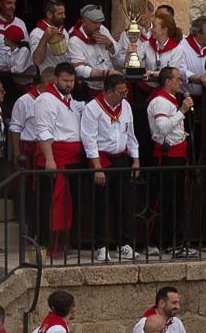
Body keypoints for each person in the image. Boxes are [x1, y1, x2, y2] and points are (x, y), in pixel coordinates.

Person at [81, 73, 139, 262]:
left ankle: (125, 244)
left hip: (121, 159)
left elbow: (130, 133)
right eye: (121, 92)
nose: (124, 95)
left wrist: (135, 159)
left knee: (125, 203)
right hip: (102, 160)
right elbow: (89, 139)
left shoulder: (126, 106)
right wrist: (97, 167)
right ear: (107, 91)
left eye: (125, 91)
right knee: (102, 205)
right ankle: (101, 246)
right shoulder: (93, 108)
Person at [35, 63, 87, 254]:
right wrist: (50, 159)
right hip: (56, 158)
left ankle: (64, 243)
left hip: (71, 158)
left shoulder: (71, 100)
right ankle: (51, 244)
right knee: (54, 204)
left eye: (72, 81)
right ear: (55, 79)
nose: (69, 84)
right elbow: (43, 129)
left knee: (68, 205)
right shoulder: (46, 100)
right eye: (65, 80)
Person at [147, 66, 194, 257]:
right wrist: (182, 111)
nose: (180, 82)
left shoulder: (171, 100)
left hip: (178, 154)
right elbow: (163, 128)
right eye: (177, 79)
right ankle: (154, 240)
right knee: (163, 200)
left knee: (177, 200)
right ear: (168, 82)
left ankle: (175, 240)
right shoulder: (160, 101)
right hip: (167, 156)